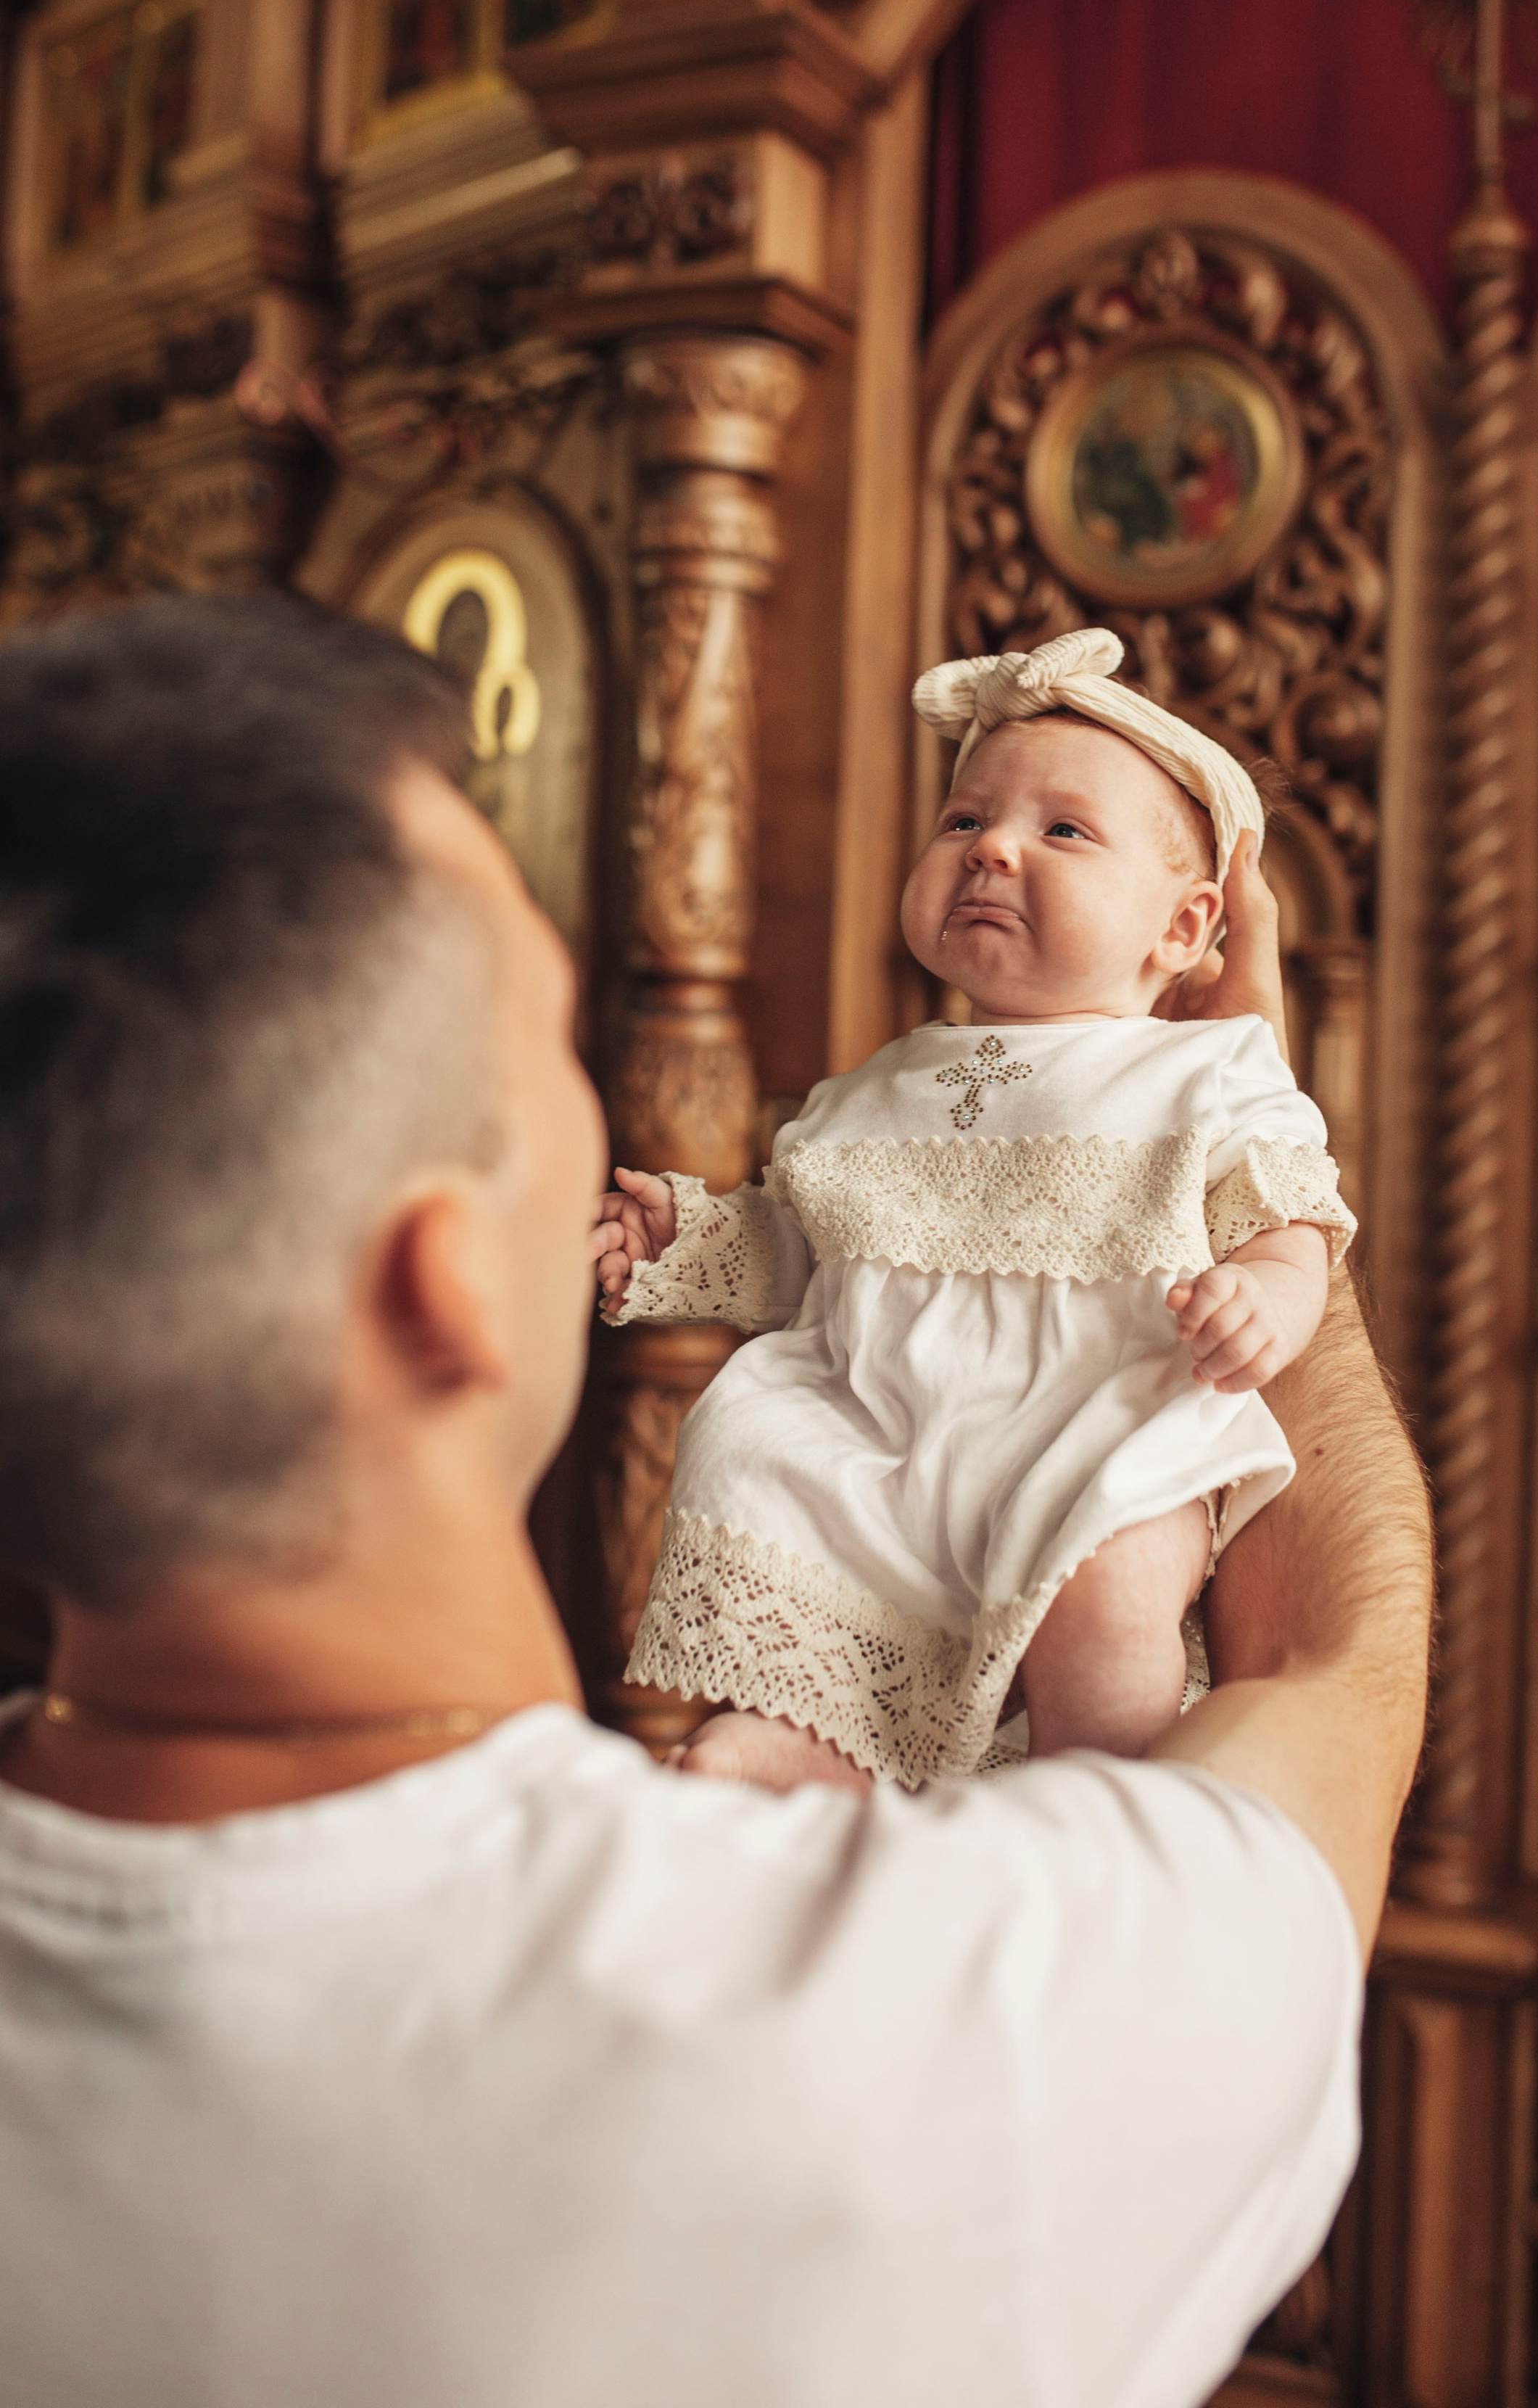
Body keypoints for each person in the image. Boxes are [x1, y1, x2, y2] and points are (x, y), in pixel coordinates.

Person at [0, 593, 1431, 2408]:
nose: (994, 852)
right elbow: (1337, 1714)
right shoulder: (981, 2010)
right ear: (442, 1277)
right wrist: (1270, 1130)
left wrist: (1228, 1170)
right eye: (548, 1049)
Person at [598, 630, 1352, 1791]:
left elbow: (1290, 1214)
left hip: (1099, 1431)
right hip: (893, 1447)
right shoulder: (879, 1086)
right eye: (963, 821)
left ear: (1187, 928)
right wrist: (687, 1242)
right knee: (781, 1467)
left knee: (1108, 1599)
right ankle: (813, 1732)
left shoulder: (1205, 1075)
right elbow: (807, 1250)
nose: (993, 847)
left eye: (1062, 831)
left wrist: (1267, 1295)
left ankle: (1086, 1795)